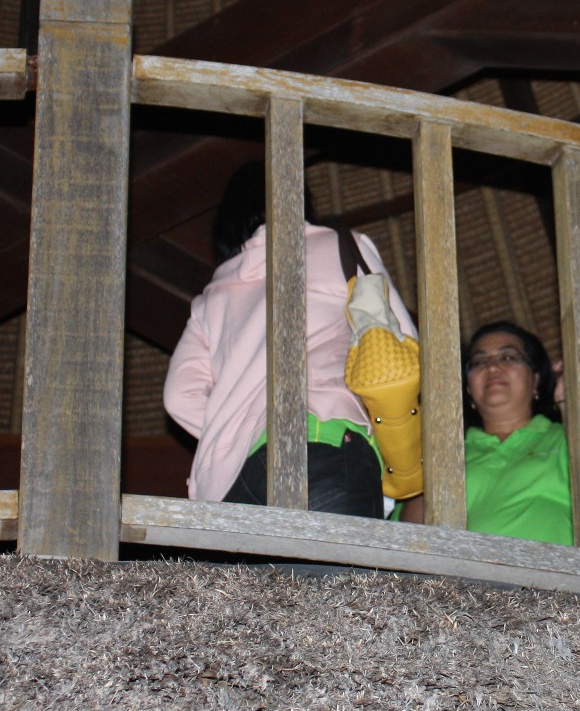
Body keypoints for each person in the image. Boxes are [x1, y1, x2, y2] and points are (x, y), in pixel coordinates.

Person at [164, 162, 414, 517]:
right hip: (321, 440)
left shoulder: (212, 297)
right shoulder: (340, 247)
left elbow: (179, 397)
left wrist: (236, 431)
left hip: (237, 482)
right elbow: (401, 340)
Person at [462, 322, 572, 546]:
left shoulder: (564, 438)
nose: (492, 367)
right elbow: (413, 532)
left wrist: (568, 403)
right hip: (459, 568)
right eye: (479, 361)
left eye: (508, 357)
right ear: (468, 389)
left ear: (536, 380)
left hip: (556, 568)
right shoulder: (448, 456)